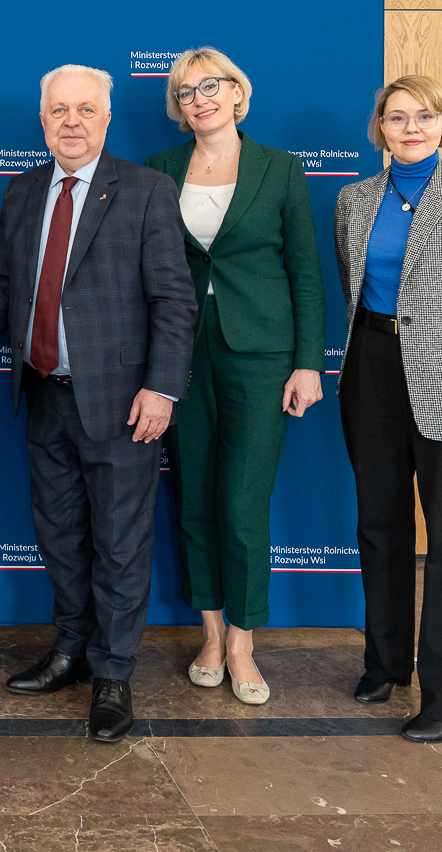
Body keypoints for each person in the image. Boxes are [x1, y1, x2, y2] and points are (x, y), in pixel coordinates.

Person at [0, 65, 196, 742]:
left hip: (124, 403)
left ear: (106, 118)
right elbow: (4, 284)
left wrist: (162, 388)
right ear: (42, 120)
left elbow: (174, 299)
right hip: (44, 395)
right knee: (60, 536)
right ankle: (70, 650)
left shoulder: (147, 190)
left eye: (85, 109)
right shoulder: (22, 191)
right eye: (59, 110)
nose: (72, 121)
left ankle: (113, 673)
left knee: (121, 545)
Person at [335, 74, 442, 743]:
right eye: (396, 117)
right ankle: (385, 664)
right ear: (379, 128)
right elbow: (353, 282)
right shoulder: (354, 200)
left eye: (424, 116)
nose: (410, 127)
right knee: (379, 526)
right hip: (371, 370)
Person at [145, 47, 326, 705]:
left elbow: (305, 272)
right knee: (193, 497)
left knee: (243, 501)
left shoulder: (280, 168)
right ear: (178, 107)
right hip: (182, 354)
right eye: (186, 92)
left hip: (262, 354)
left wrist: (308, 362)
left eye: (211, 86)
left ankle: (245, 641)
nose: (200, 99)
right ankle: (212, 634)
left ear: (237, 93)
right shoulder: (160, 170)